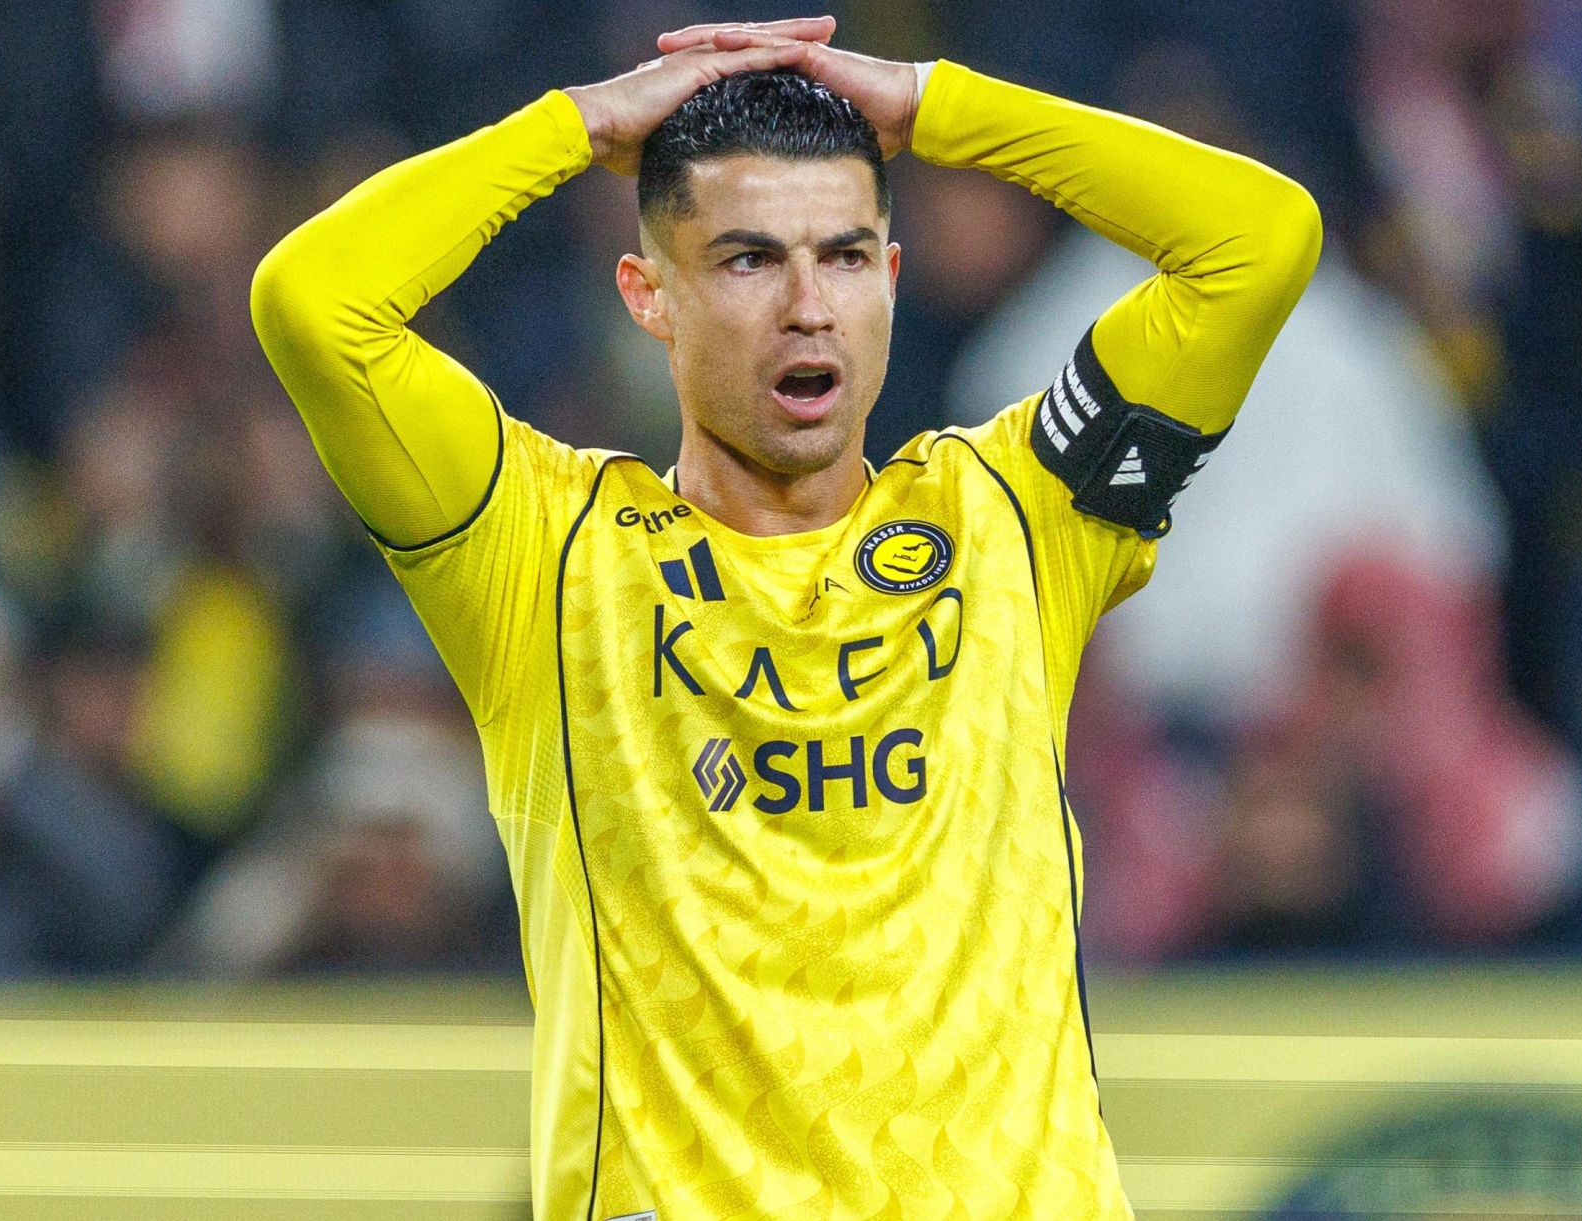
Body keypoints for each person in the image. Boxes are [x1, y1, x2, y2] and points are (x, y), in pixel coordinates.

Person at [251, 16, 1319, 1220]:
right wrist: (583, 126)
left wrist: (936, 108)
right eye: (750, 260)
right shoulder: (544, 558)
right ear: (648, 295)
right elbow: (315, 301)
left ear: (893, 279)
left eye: (847, 256)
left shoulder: (1018, 518)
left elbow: (1256, 242)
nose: (811, 307)